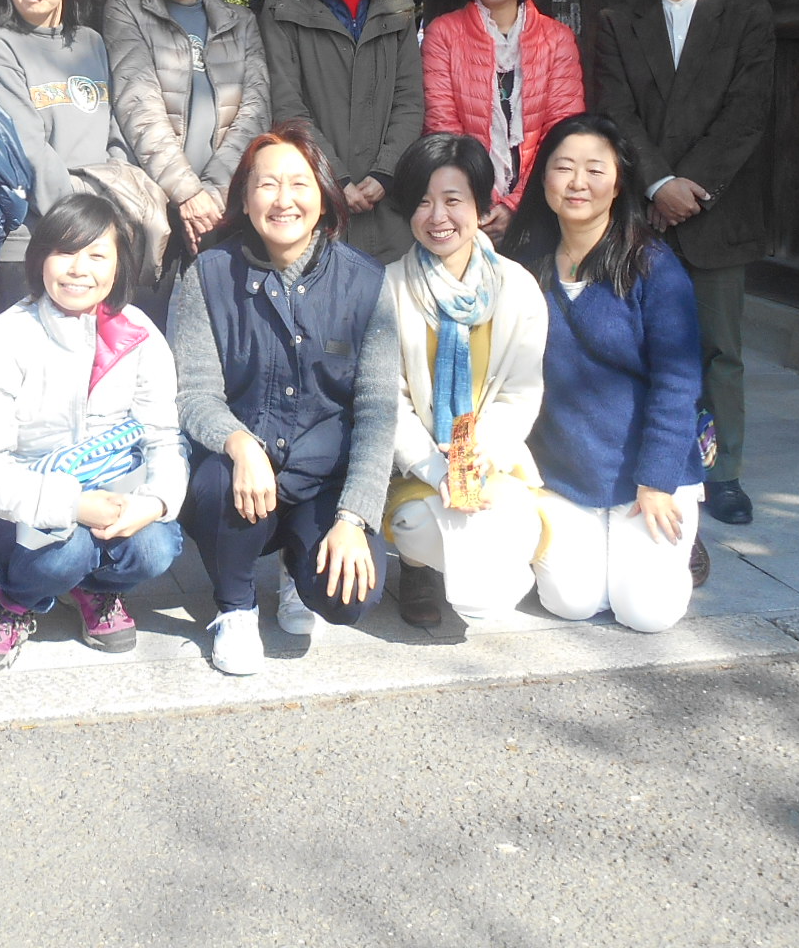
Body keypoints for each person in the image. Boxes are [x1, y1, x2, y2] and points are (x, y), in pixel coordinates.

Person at [170, 123, 398, 674]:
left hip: (323, 481)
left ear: (323, 197)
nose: (283, 198)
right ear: (245, 201)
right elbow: (193, 390)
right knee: (221, 479)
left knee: (349, 599)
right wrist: (241, 444)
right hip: (239, 481)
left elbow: (377, 412)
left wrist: (354, 519)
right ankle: (235, 606)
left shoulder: (365, 283)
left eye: (299, 183)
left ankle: (299, 571)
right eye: (266, 184)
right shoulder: (209, 274)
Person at [590, 0, 774, 527]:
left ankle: (721, 471)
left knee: (719, 349)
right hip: (643, 210)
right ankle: (648, 460)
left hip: (715, 211)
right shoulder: (618, 20)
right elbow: (616, 111)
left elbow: (745, 118)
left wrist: (688, 187)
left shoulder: (747, 17)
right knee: (640, 346)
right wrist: (656, 184)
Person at [0, 196, 187, 672]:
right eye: (65, 252)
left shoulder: (138, 334)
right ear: (40, 259)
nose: (80, 270)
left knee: (157, 545)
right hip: (15, 506)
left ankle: (96, 590)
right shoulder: (2, 339)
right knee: (66, 549)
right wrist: (72, 505)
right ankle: (13, 602)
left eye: (98, 256)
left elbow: (163, 436)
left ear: (119, 266)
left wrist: (155, 502)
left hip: (113, 490)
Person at [506, 114, 707, 633]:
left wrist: (658, 479)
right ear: (543, 177)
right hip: (565, 472)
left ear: (619, 183)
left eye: (595, 169)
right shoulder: (521, 263)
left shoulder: (652, 266)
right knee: (571, 602)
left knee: (647, 614)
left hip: (648, 474)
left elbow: (678, 381)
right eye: (564, 167)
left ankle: (679, 548)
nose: (578, 183)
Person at [379, 133, 548, 629]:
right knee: (417, 525)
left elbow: (521, 392)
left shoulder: (516, 287)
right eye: (423, 203)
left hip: (490, 462)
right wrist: (439, 470)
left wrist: (477, 461)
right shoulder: (388, 287)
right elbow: (388, 401)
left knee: (510, 527)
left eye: (453, 200)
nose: (438, 217)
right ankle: (416, 568)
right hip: (419, 469)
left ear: (480, 205)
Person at [257, 0, 425, 263]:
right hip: (315, 198)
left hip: (388, 201)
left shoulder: (394, 2)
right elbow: (287, 105)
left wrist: (384, 173)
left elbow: (410, 99)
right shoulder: (282, 5)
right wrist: (336, 177)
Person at [103, 0, 271, 266]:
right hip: (149, 202)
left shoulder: (240, 22)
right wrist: (187, 192)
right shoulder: (125, 9)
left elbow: (255, 111)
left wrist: (212, 195)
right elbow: (138, 106)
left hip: (221, 208)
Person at [421, 0, 585, 241]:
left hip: (541, 209)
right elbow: (443, 128)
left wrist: (515, 205)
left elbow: (562, 133)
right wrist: (480, 202)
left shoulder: (557, 39)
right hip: (467, 213)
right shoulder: (443, 35)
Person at [0, 0, 129, 214]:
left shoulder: (91, 42)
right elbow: (27, 147)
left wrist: (115, 195)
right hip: (42, 228)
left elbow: (116, 132)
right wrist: (79, 213)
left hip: (104, 214)